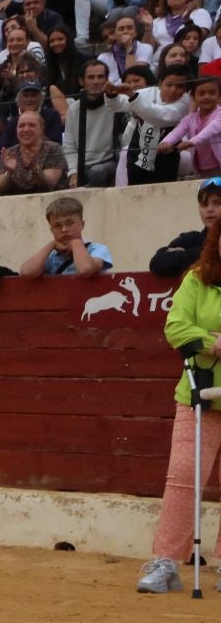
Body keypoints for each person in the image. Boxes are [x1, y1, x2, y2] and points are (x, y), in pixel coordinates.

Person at [138, 214, 221, 592]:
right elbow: (175, 326)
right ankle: (166, 563)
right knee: (183, 478)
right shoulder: (198, 278)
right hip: (197, 393)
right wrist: (212, 342)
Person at [18, 195, 113, 279]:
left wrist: (76, 243)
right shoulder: (52, 257)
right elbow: (27, 272)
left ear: (82, 225)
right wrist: (52, 245)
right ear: (51, 230)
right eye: (58, 225)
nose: (64, 229)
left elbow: (85, 270)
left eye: (70, 223)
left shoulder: (97, 249)